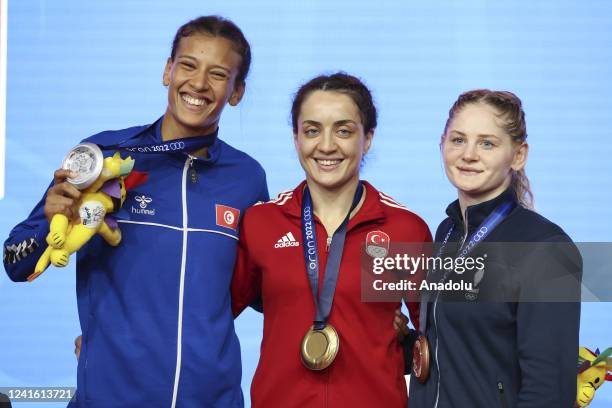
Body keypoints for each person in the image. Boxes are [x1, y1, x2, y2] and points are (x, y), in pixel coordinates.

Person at [3, 16, 268, 407]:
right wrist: (50, 224)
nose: (198, 84)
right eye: (188, 66)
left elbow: (268, 289)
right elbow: (14, 261)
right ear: (167, 71)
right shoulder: (104, 157)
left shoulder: (246, 177)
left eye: (218, 74)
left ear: (236, 92)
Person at [231, 72, 431, 407]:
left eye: (343, 130)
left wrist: (402, 338)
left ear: (367, 139)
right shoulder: (261, 223)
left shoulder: (404, 229)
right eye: (311, 130)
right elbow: (210, 316)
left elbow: (440, 333)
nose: (326, 146)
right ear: (296, 138)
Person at [407, 89, 581, 407]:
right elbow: (456, 347)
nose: (468, 154)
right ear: (442, 144)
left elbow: (549, 391)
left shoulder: (545, 248)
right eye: (458, 140)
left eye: (487, 143)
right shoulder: (447, 233)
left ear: (518, 155)